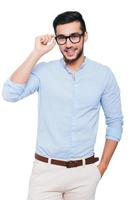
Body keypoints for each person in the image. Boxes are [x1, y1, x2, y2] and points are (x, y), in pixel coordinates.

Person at [2, 11, 123, 200]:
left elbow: (115, 122)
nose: (68, 44)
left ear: (85, 36)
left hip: (84, 175)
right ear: (56, 39)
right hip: (46, 174)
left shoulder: (103, 75)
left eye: (74, 36)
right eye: (62, 38)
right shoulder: (44, 71)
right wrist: (37, 53)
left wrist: (101, 168)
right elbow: (10, 94)